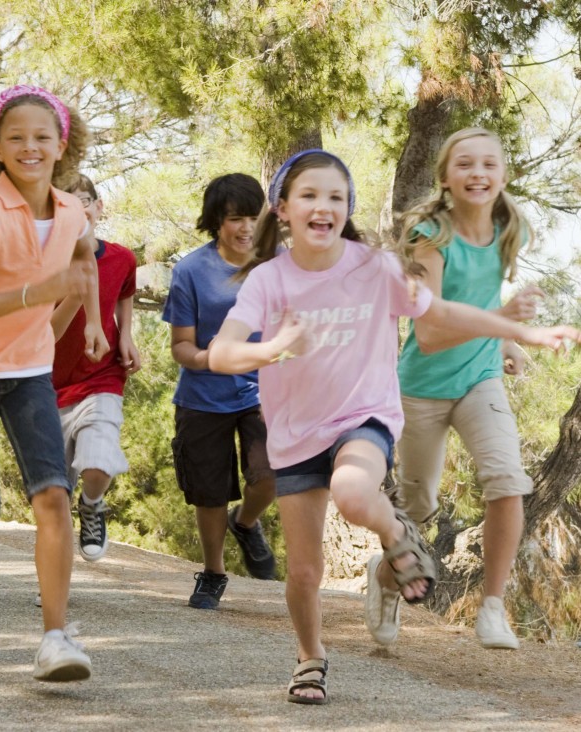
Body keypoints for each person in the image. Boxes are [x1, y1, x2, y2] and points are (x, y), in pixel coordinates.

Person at [207, 149, 578, 704]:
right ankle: (310, 657)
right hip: (294, 436)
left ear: (347, 208)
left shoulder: (373, 267)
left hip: (363, 416)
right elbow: (220, 353)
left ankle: (398, 535)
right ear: (282, 209)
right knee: (305, 572)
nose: (323, 207)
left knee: (356, 491)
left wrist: (515, 330)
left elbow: (440, 314)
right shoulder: (269, 280)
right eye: (309, 195)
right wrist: (275, 347)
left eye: (336, 197)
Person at [0, 84, 108, 682]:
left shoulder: (74, 211)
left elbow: (81, 268)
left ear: (62, 145)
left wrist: (85, 330)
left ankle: (56, 638)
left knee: (52, 496)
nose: (30, 147)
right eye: (16, 138)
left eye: (41, 137)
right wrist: (32, 295)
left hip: (30, 373)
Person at [394, 127, 542, 650]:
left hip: (479, 379)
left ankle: (493, 608)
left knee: (507, 478)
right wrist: (503, 322)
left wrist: (505, 343)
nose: (478, 173)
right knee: (418, 506)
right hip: (423, 386)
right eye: (465, 164)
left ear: (503, 175)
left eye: (489, 164)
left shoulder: (511, 229)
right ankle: (387, 579)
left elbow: (481, 292)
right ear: (445, 178)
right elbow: (429, 333)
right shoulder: (429, 236)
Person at [161, 173, 278, 612]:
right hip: (202, 397)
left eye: (253, 217)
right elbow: (181, 347)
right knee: (209, 492)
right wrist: (211, 359)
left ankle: (245, 523)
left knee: (271, 474)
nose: (245, 228)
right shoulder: (191, 270)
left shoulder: (278, 263)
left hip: (265, 393)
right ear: (216, 221)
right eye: (235, 219)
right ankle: (212, 574)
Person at [50, 174, 139, 562]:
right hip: (44, 387)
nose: (77, 208)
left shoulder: (122, 258)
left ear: (99, 207)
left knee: (99, 462)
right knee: (52, 493)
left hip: (100, 377)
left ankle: (92, 504)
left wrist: (126, 335)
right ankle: (54, 579)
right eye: (64, 203)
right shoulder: (42, 262)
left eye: (84, 199)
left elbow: (124, 293)